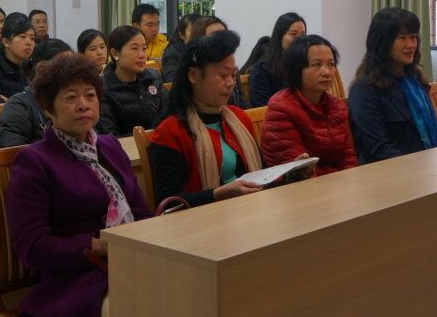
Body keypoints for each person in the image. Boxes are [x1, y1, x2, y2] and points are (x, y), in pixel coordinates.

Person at [6, 53, 152, 317]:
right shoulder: (35, 161)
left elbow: (141, 212)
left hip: (132, 263)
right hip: (78, 282)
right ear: (48, 108)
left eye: (90, 95)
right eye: (71, 98)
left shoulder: (110, 146)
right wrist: (97, 246)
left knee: (191, 300)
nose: (84, 104)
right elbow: (32, 246)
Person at [149, 30, 312, 208]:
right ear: (193, 75)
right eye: (222, 75)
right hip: (205, 219)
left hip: (250, 210)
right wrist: (216, 195)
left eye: (233, 75)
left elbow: (261, 174)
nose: (230, 83)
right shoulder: (170, 132)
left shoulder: (239, 118)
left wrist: (289, 173)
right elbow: (169, 203)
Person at [348, 7, 437, 164]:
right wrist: (421, 167)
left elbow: (431, 128)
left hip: (426, 164)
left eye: (413, 37)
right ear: (383, 43)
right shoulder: (365, 89)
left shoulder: (415, 81)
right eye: (402, 38)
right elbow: (379, 149)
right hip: (391, 171)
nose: (411, 45)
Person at [260, 35, 357, 175]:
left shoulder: (338, 107)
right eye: (317, 65)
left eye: (331, 64)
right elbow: (299, 170)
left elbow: (349, 158)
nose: (327, 72)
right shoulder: (281, 108)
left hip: (335, 182)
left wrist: (352, 181)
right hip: (295, 185)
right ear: (297, 69)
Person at [0, 39, 72, 148]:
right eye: (65, 67)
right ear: (42, 69)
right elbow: (14, 151)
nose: (73, 73)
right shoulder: (19, 106)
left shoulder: (78, 102)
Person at [97, 25, 168, 137]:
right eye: (134, 49)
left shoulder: (153, 78)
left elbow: (169, 113)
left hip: (160, 142)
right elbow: (109, 136)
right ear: (115, 53)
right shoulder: (103, 88)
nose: (142, 55)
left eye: (144, 48)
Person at [249, 12, 306, 107]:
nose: (299, 40)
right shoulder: (262, 69)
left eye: (303, 35)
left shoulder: (305, 65)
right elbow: (263, 107)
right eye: (293, 34)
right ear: (280, 36)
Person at [0, 13, 35, 104]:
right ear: (6, 42)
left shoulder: (33, 64)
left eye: (32, 38)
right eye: (23, 37)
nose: (29, 42)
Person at [161, 12, 200, 82]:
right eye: (193, 31)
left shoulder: (207, 50)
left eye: (201, 31)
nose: (198, 35)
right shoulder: (171, 54)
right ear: (181, 35)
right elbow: (172, 79)